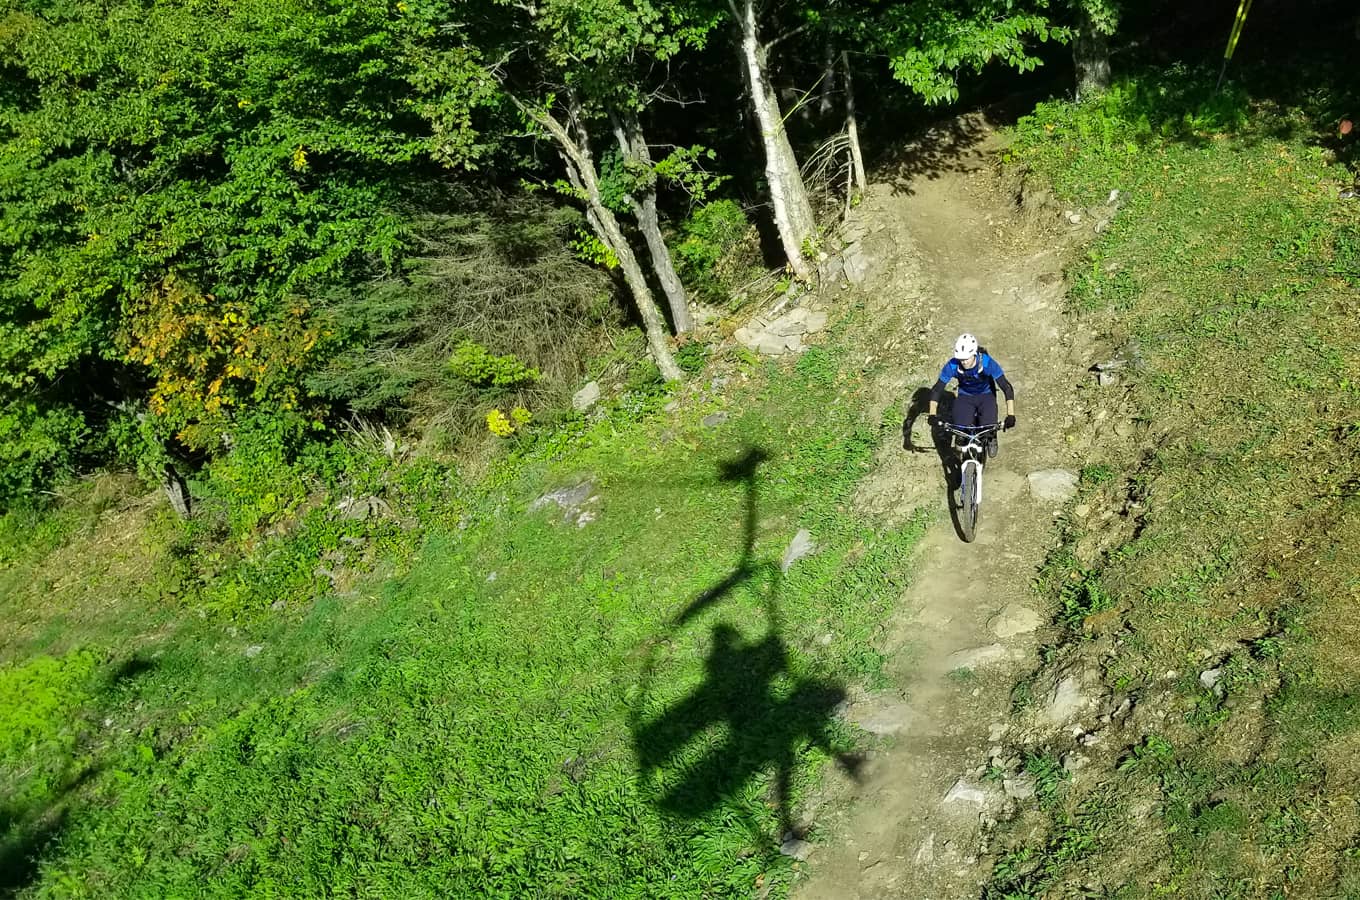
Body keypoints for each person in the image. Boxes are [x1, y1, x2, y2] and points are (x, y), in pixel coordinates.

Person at [927, 333, 1016, 457]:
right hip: (965, 396)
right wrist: (932, 414)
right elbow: (937, 389)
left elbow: (1006, 387)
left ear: (974, 354)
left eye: (966, 358)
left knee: (988, 426)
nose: (963, 362)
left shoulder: (986, 363)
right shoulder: (952, 365)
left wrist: (1010, 414)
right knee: (960, 429)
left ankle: (992, 437)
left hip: (986, 395)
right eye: (960, 359)